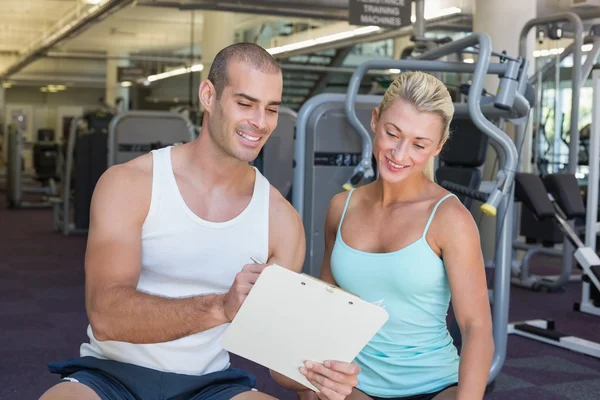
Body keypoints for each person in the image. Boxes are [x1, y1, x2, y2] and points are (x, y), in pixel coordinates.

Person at [39, 42, 359, 400]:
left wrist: (319, 375)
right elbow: (106, 314)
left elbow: (277, 357)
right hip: (112, 376)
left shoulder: (282, 220)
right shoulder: (130, 184)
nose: (260, 122)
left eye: (271, 109)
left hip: (208, 385)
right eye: (245, 103)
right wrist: (221, 306)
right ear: (209, 95)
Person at [318, 72, 494, 400]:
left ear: (438, 146)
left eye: (419, 144)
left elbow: (476, 328)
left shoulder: (450, 218)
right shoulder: (341, 208)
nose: (399, 154)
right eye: (392, 133)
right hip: (355, 383)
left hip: (434, 386)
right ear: (375, 120)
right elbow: (326, 308)